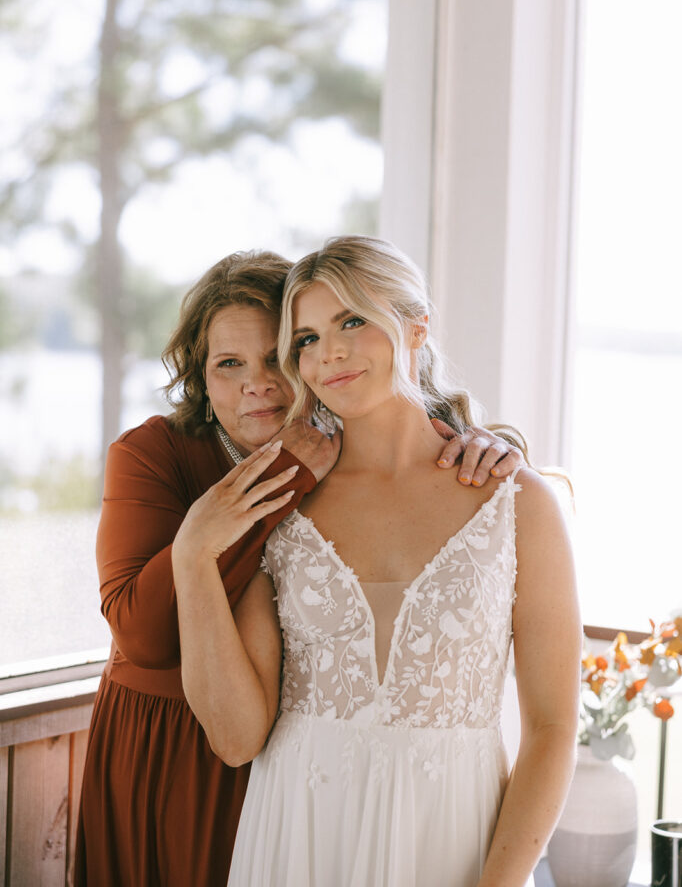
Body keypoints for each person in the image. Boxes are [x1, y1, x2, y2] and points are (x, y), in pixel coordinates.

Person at [74, 249, 524, 887]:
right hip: (169, 741)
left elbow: (426, 434)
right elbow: (144, 636)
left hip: (295, 763)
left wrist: (495, 442)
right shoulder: (153, 454)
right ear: (201, 379)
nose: (255, 383)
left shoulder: (338, 443)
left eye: (274, 358)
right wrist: (215, 528)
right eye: (228, 365)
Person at [173, 236, 582, 887]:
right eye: (305, 339)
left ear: (416, 327)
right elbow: (235, 737)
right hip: (298, 838)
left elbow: (555, 727)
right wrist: (191, 557)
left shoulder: (520, 504)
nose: (327, 351)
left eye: (352, 321)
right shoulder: (282, 506)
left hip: (453, 842)